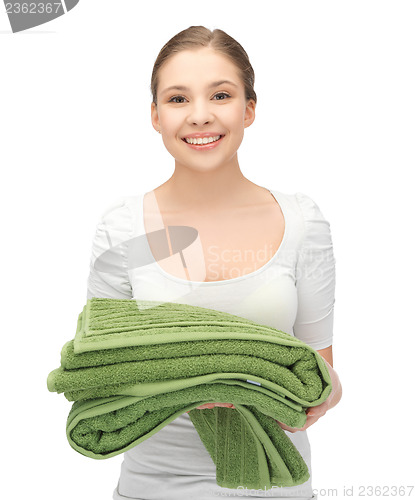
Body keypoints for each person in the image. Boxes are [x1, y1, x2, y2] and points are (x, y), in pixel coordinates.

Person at [86, 25, 342, 500]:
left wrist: (276, 392)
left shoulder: (303, 223)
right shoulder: (124, 228)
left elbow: (323, 377)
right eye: (178, 99)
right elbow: (100, 370)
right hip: (154, 485)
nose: (200, 116)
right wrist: (189, 385)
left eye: (220, 95)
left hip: (274, 483)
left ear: (248, 110)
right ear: (155, 115)